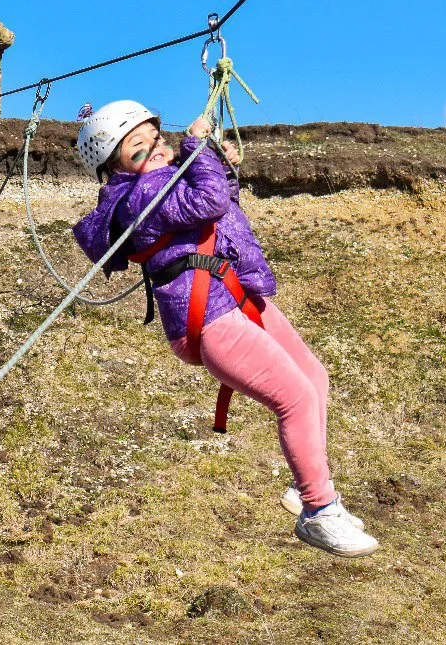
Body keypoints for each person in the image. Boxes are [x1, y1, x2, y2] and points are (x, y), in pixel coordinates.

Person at [71, 100, 379, 558]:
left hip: (232, 295)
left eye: (155, 137)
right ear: (116, 168)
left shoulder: (166, 179)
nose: (156, 148)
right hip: (208, 316)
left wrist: (217, 163)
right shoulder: (139, 196)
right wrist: (199, 149)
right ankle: (319, 510)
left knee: (314, 378)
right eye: (138, 149)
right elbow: (208, 201)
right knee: (295, 397)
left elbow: (222, 209)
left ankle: (307, 487)